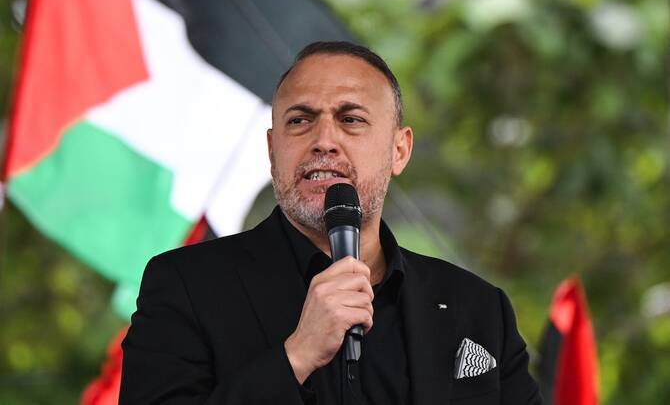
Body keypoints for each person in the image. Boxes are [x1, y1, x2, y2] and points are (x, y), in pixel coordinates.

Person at [119, 41, 542, 404]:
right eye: (300, 120)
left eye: (350, 119)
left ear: (399, 150)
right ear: (272, 150)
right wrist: (296, 357)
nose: (324, 141)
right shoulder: (187, 286)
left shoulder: (478, 309)